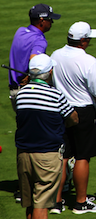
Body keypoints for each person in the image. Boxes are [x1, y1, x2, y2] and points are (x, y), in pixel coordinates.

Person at [51, 22, 96, 214]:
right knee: (83, 155)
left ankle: (57, 202)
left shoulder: (55, 55)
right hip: (82, 111)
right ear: (83, 41)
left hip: (60, 109)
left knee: (64, 155)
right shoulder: (89, 61)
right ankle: (81, 202)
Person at [15, 53, 79, 219]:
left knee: (29, 204)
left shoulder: (21, 95)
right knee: (42, 205)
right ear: (49, 72)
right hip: (47, 156)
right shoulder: (55, 95)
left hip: (23, 154)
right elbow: (73, 119)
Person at [9, 4, 61, 108]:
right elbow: (35, 65)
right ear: (42, 20)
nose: (52, 22)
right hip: (27, 92)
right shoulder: (39, 40)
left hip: (14, 90)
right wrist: (30, 76)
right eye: (50, 19)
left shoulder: (20, 31)